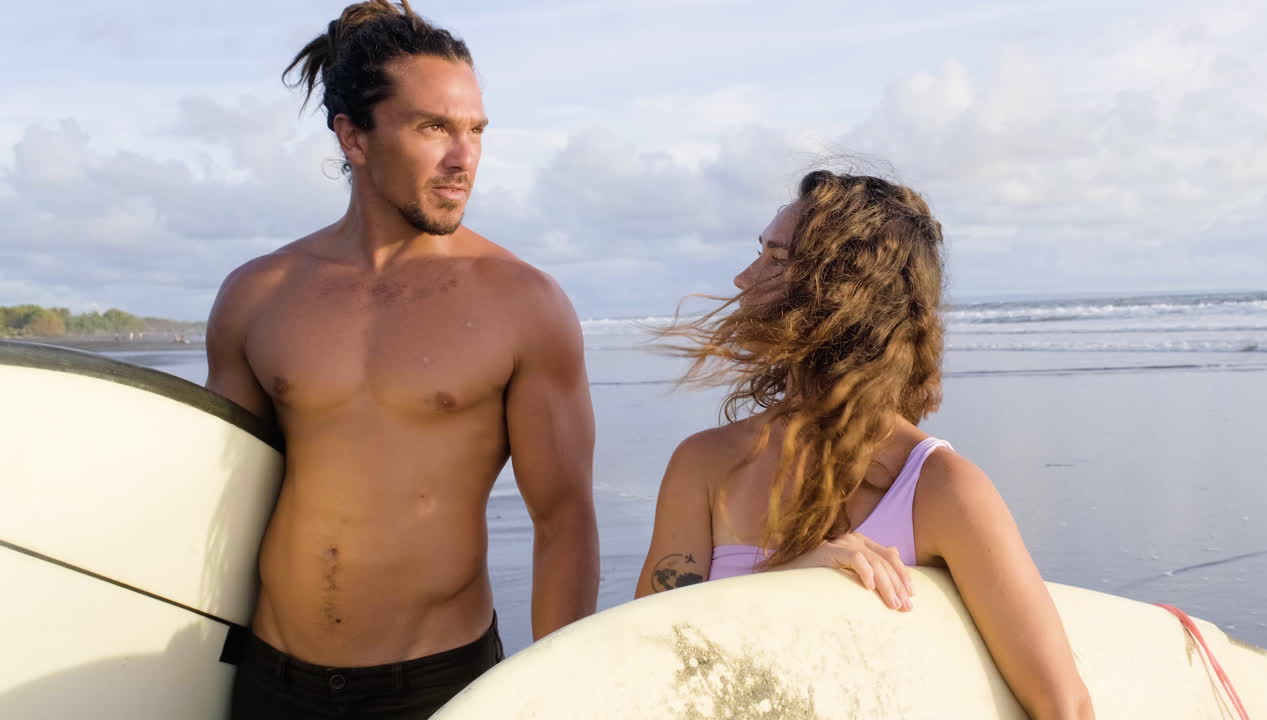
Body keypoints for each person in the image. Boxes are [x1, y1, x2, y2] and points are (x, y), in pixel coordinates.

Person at [204, 2, 599, 717]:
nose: (464, 158)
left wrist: (561, 696)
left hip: (437, 687)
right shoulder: (258, 295)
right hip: (270, 680)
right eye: (433, 128)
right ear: (353, 137)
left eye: (476, 131)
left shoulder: (523, 303)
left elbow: (564, 522)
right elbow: (220, 508)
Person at [635, 170, 1094, 718]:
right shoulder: (705, 464)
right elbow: (646, 660)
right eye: (758, 253)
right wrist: (786, 577)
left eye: (777, 260)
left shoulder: (938, 489)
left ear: (845, 294)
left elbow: (1063, 707)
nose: (742, 278)